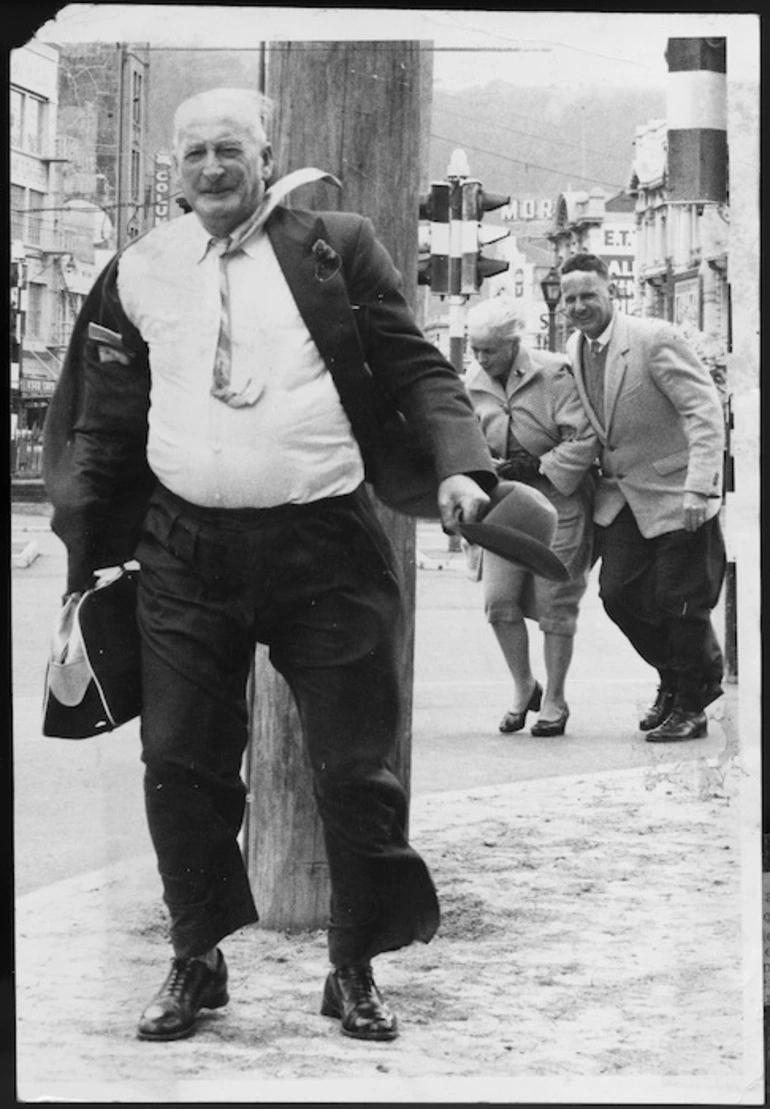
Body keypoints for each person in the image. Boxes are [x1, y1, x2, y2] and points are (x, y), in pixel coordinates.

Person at [42, 87, 498, 1044]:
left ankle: (354, 965)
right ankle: (197, 956)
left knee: (356, 768)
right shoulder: (139, 269)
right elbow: (101, 418)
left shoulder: (333, 240)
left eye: (230, 150)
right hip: (183, 550)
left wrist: (460, 468)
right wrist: (88, 552)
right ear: (175, 168)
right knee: (177, 761)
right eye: (195, 152)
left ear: (266, 154)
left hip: (325, 545)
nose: (212, 168)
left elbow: (417, 365)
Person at [560, 252, 726, 742]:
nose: (579, 305)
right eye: (570, 298)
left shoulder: (654, 340)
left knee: (680, 603)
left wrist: (700, 484)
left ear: (611, 291)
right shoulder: (576, 347)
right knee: (619, 596)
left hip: (679, 493)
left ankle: (691, 705)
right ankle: (680, 677)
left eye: (588, 294)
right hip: (623, 498)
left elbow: (703, 409)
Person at [464, 296, 598, 737]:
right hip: (506, 503)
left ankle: (556, 698)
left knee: (556, 603)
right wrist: (482, 465)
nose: (481, 358)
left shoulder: (555, 373)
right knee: (499, 601)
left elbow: (582, 438)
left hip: (558, 501)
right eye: (475, 348)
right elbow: (465, 437)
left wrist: (539, 465)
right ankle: (524, 687)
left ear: (513, 344)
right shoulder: (473, 381)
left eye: (490, 349)